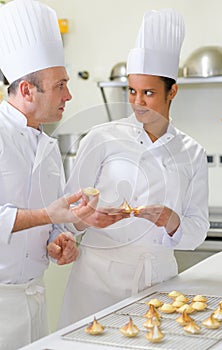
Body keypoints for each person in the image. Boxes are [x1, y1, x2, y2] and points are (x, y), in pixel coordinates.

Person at [58, 8, 209, 328]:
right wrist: (83, 218)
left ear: (173, 91)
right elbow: (66, 215)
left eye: (149, 93)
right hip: (95, 288)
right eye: (132, 91)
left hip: (159, 284)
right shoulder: (101, 139)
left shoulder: (193, 153)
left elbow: (197, 229)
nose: (138, 102)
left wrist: (170, 220)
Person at [0, 0, 103, 349]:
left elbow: (51, 220)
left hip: (35, 299)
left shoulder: (47, 147)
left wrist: (60, 238)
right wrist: (48, 216)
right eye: (60, 85)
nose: (69, 95)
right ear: (27, 90)